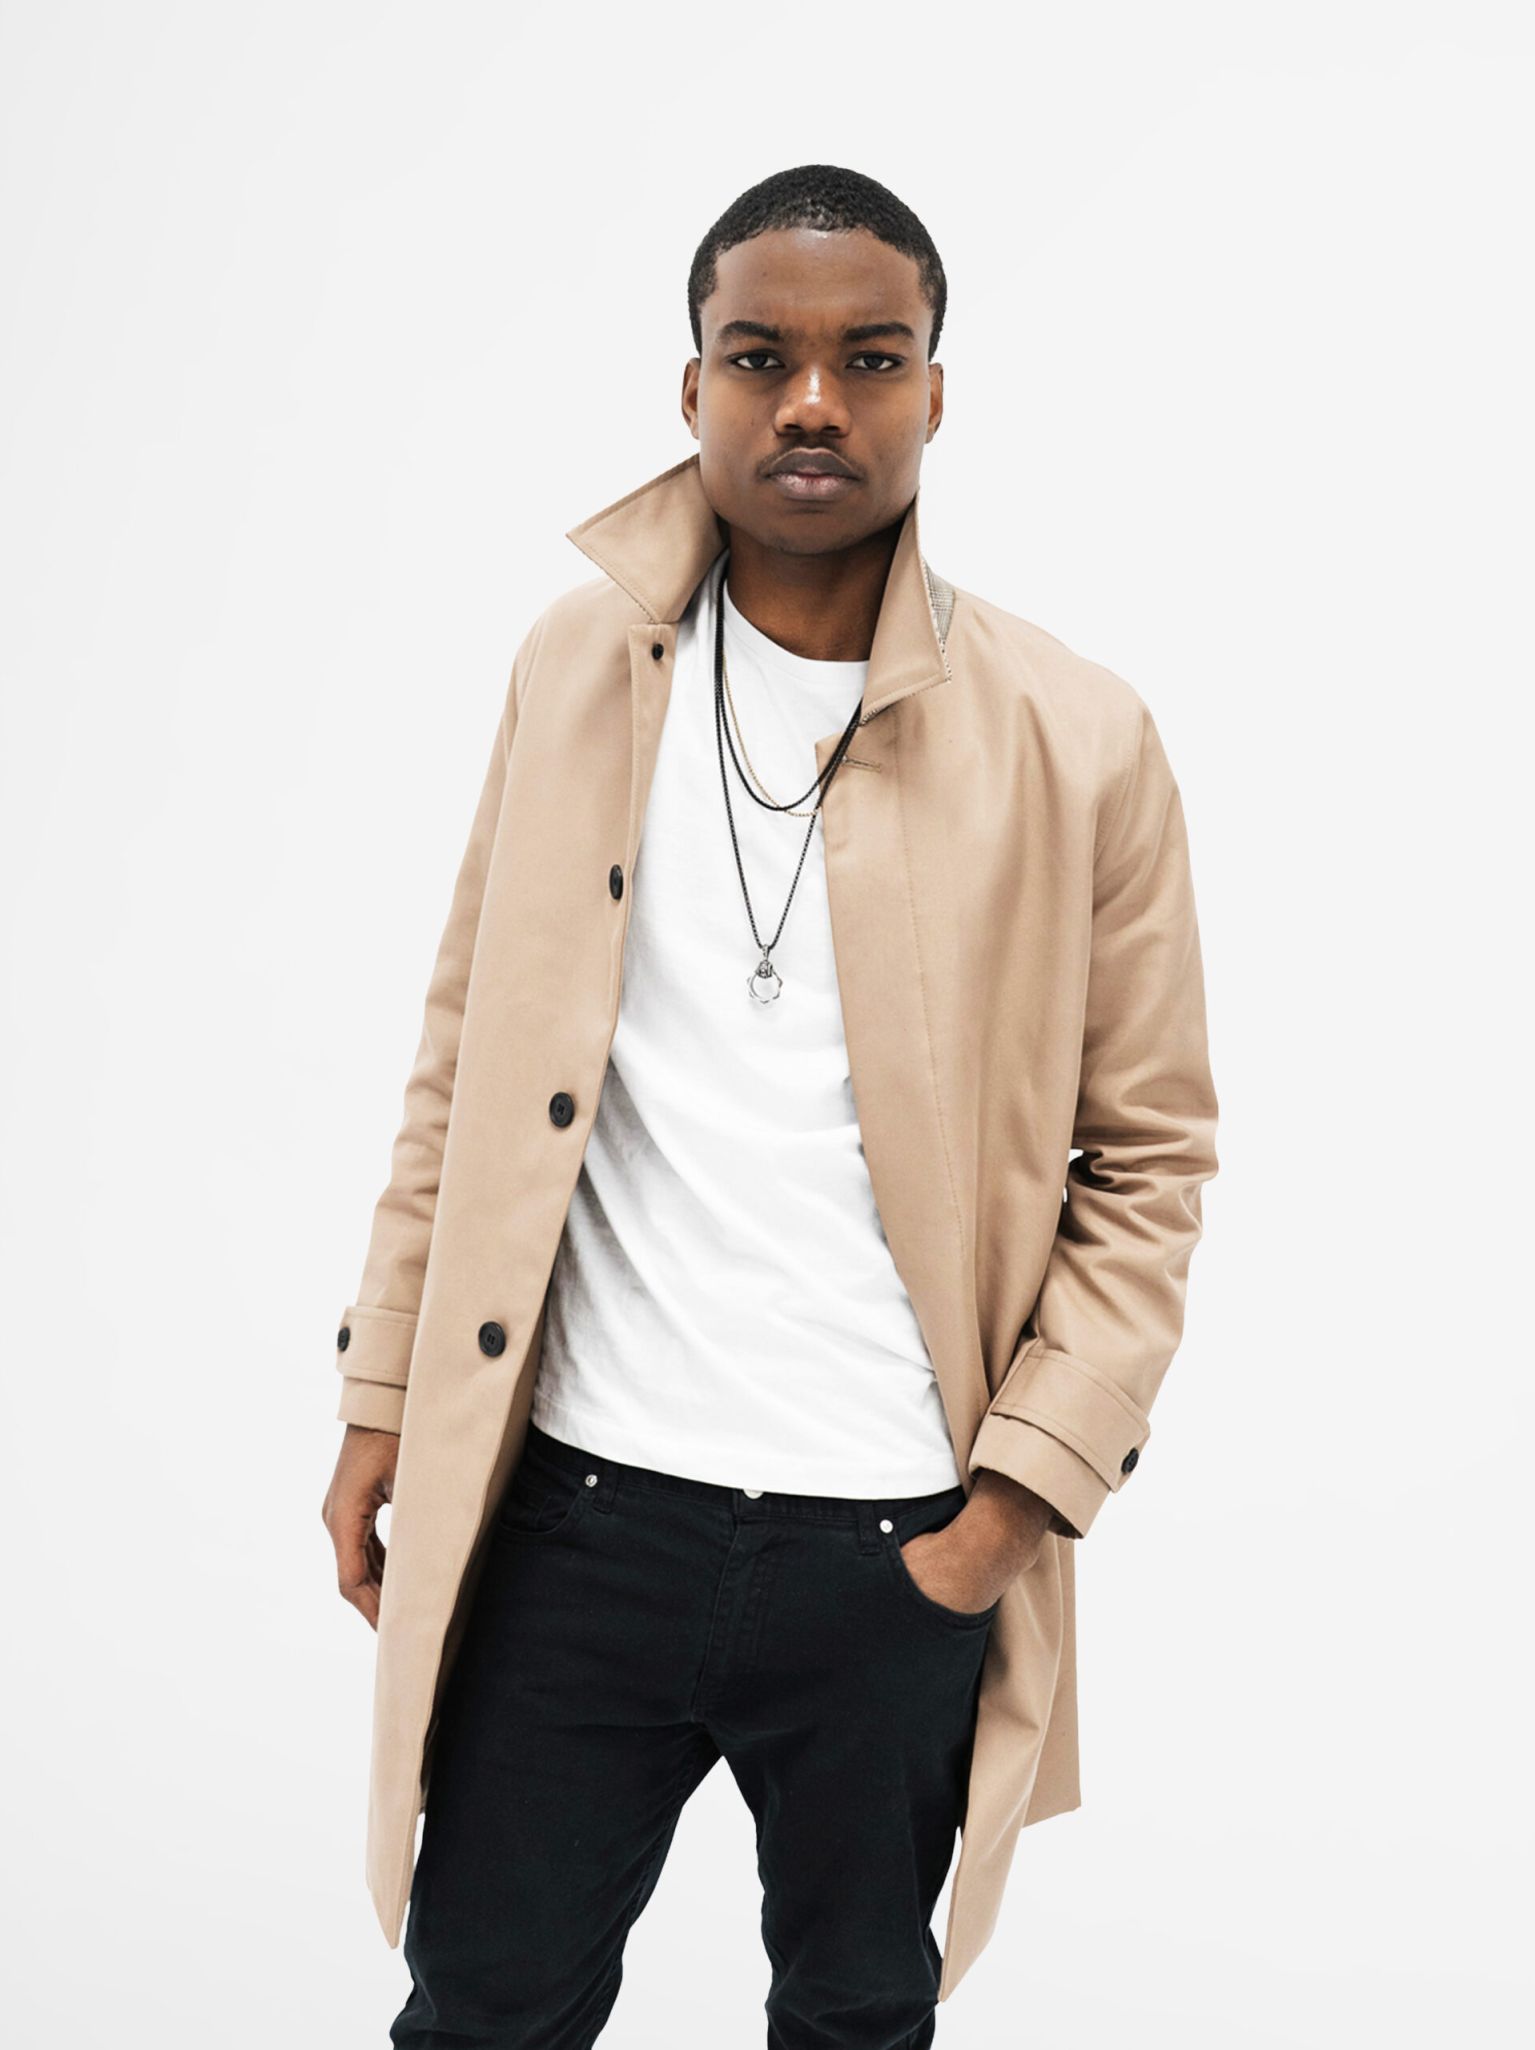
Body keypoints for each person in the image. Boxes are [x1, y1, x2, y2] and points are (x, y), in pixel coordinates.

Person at [321, 161, 1219, 2049]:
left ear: (935, 392)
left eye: (868, 359)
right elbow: (461, 1057)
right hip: (578, 1510)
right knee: (481, 2009)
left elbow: (1148, 1160)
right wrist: (384, 1388)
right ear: (694, 385)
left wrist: (1007, 1516)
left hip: (892, 1539)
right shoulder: (576, 668)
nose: (813, 401)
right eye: (761, 357)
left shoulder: (1078, 736)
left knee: (855, 2020)